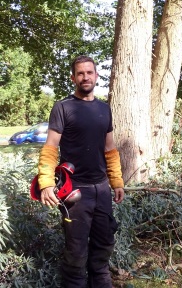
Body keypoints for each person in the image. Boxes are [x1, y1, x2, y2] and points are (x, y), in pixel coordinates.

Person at [37, 55, 125, 288]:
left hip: (102, 190)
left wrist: (116, 182)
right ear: (73, 77)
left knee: (104, 245)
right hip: (74, 192)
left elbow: (110, 149)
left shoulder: (104, 109)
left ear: (96, 76)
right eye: (80, 73)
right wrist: (46, 183)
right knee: (76, 252)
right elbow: (50, 148)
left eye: (89, 72)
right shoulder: (63, 108)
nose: (85, 77)